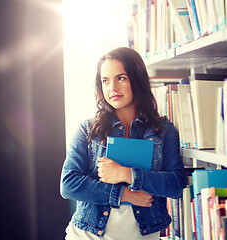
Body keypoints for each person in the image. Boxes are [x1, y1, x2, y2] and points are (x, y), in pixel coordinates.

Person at [60, 47, 186, 239]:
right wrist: (123, 194)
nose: (113, 88)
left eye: (121, 78)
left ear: (136, 80)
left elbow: (176, 184)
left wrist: (128, 174)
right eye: (105, 80)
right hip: (88, 235)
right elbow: (69, 184)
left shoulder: (163, 130)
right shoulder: (87, 129)